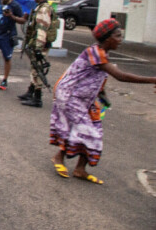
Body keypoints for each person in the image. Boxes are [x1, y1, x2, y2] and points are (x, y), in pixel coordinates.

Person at [49, 19, 156, 184]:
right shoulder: (96, 52)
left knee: (95, 129)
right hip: (70, 96)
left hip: (87, 98)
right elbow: (120, 76)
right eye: (118, 36)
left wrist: (102, 95)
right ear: (107, 38)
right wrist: (152, 80)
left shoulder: (104, 53)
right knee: (85, 131)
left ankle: (80, 169)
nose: (121, 40)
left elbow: (97, 76)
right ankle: (58, 157)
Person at [20, 0, 53, 107]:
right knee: (34, 69)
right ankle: (31, 91)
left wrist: (38, 48)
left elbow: (42, 29)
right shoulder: (41, 7)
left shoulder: (43, 10)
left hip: (40, 44)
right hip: (38, 43)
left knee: (37, 70)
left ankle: (37, 98)